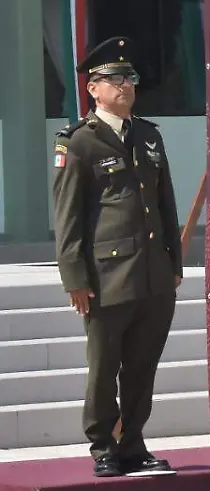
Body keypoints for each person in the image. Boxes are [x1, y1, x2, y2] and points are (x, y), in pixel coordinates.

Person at [51, 36, 182, 478]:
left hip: (153, 274)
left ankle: (134, 443)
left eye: (130, 77)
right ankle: (104, 446)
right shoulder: (78, 143)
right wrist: (75, 278)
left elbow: (165, 203)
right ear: (93, 88)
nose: (125, 86)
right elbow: (67, 217)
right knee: (104, 368)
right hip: (108, 276)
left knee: (143, 366)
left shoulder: (147, 136)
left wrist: (174, 263)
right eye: (114, 78)